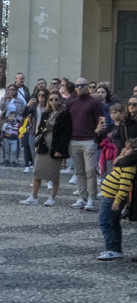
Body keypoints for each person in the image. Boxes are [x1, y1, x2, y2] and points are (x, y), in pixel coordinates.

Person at [20, 91, 71, 206]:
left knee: (53, 174)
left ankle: (52, 197)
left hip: (55, 145)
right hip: (44, 145)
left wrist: (60, 149)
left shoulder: (64, 114)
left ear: (60, 101)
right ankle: (34, 196)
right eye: (51, 99)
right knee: (37, 171)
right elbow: (40, 129)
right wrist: (37, 141)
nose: (53, 102)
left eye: (56, 99)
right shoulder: (45, 114)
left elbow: (66, 133)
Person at [66, 76, 106, 212]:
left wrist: (96, 137)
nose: (78, 88)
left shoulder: (94, 103)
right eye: (77, 86)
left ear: (87, 87)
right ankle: (82, 197)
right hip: (74, 140)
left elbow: (101, 121)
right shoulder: (71, 103)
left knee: (90, 171)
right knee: (79, 171)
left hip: (89, 140)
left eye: (81, 85)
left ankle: (91, 198)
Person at [96, 138, 136, 260]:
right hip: (110, 196)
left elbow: (124, 185)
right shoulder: (124, 162)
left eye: (128, 148)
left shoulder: (129, 165)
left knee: (105, 222)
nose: (124, 150)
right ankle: (115, 249)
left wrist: (117, 201)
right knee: (113, 222)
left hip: (113, 198)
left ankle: (112, 248)